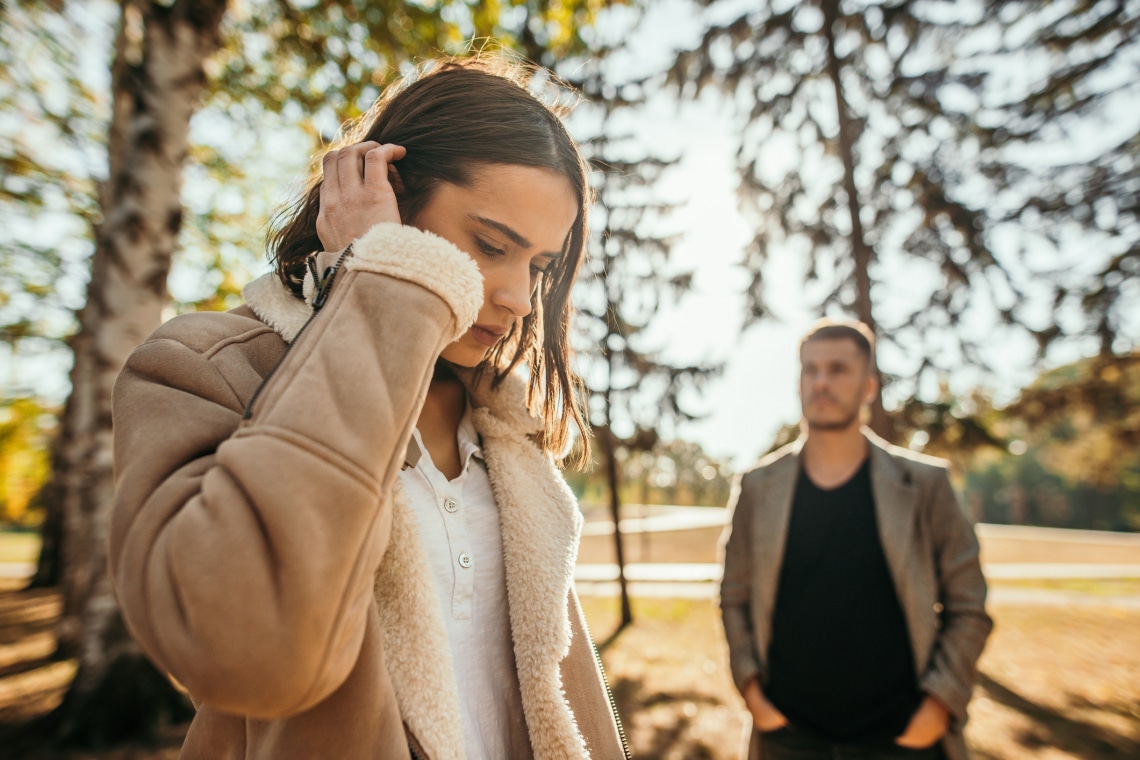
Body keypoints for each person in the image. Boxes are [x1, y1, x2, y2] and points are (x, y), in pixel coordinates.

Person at [109, 57, 629, 760]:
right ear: (385, 195)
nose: (516, 296)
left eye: (538, 266)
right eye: (490, 245)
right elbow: (240, 650)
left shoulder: (508, 428)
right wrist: (383, 283)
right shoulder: (203, 371)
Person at [719, 319, 992, 760]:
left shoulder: (926, 485)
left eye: (837, 369)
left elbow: (969, 607)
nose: (821, 382)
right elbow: (733, 597)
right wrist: (752, 691)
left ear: (868, 386)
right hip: (787, 737)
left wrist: (940, 704)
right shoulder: (757, 487)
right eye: (810, 370)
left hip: (902, 739)